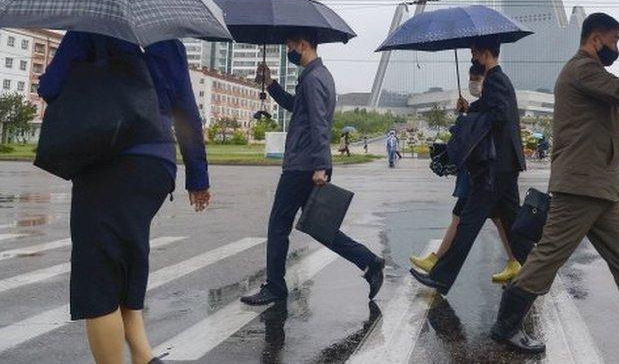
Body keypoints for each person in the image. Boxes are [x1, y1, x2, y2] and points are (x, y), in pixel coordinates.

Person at [489, 13, 619, 354]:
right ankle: (506, 326)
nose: (616, 47)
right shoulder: (580, 69)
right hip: (581, 186)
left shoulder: (591, 71)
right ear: (595, 39)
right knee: (548, 257)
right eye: (613, 41)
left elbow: (615, 94)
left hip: (600, 186)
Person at [38, 31, 211, 364]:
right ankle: (144, 358)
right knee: (127, 260)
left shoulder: (89, 29)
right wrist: (198, 176)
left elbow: (51, 88)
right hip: (157, 166)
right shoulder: (168, 41)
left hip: (109, 161)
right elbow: (186, 111)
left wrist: (49, 76)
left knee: (99, 278)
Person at [241, 31, 385, 306]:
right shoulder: (316, 76)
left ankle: (275, 287)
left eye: (289, 45)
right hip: (308, 163)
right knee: (319, 226)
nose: (288, 50)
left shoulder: (314, 78)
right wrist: (271, 84)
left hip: (303, 165)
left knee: (278, 225)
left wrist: (320, 165)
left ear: (303, 45)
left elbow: (320, 123)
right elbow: (298, 107)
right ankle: (369, 262)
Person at [410, 36, 530, 294]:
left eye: (474, 53)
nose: (473, 57)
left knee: (469, 221)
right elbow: (493, 109)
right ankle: (534, 273)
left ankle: (441, 277)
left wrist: (469, 119)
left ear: (486, 52)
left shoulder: (496, 79)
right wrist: (471, 108)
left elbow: (497, 116)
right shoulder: (500, 79)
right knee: (512, 223)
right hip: (505, 165)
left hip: (495, 167)